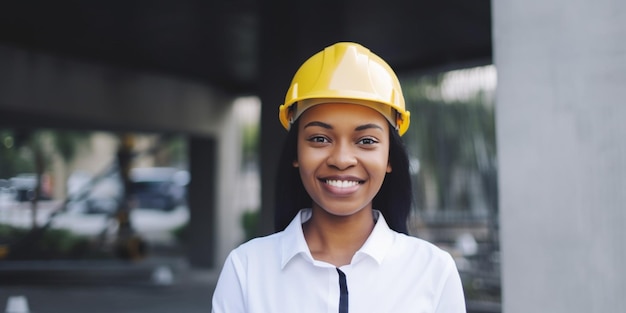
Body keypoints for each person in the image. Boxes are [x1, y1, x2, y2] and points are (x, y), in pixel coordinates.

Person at [211, 42, 466, 313]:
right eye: (319, 138)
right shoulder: (247, 268)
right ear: (296, 153)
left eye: (366, 140)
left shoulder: (433, 271)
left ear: (390, 157)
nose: (342, 159)